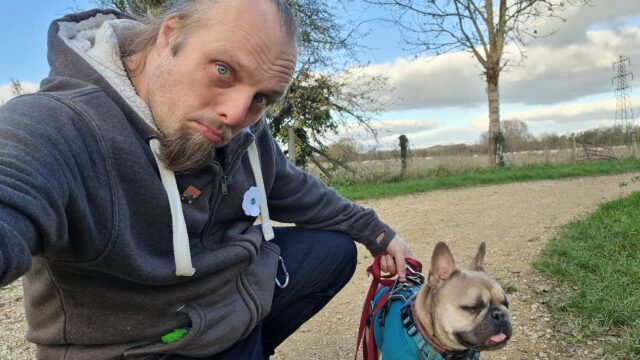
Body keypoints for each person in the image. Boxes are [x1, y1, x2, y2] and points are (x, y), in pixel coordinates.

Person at [0, 0, 412, 359]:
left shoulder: (244, 127)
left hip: (221, 307)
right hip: (142, 347)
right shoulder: (58, 125)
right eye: (223, 70)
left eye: (262, 98)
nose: (237, 114)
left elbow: (287, 184)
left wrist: (375, 231)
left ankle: (250, 342)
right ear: (169, 36)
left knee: (333, 250)